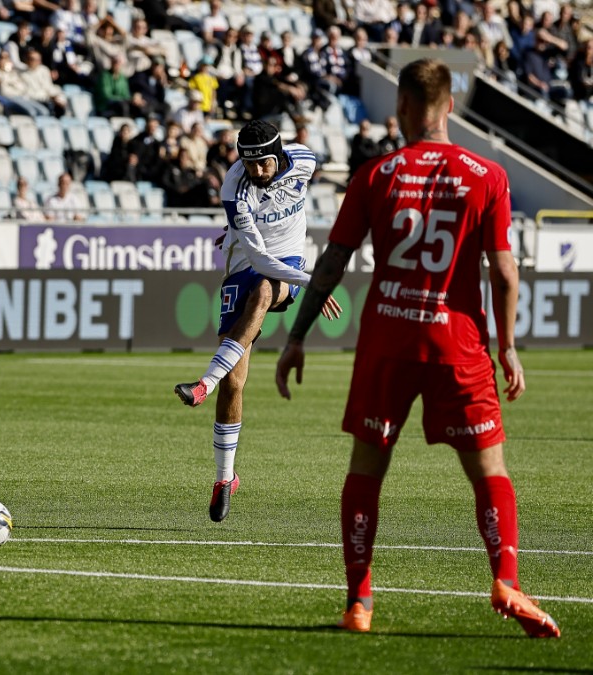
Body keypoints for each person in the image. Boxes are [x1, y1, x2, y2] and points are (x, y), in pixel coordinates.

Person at [273, 58, 561, 639]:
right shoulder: (487, 175)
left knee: (366, 470)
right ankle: (506, 579)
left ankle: (359, 603)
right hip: (459, 344)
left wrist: (298, 334)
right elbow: (504, 272)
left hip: (387, 340)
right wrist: (507, 347)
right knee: (489, 472)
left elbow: (333, 260)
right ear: (450, 105)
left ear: (402, 107)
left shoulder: (376, 176)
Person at [173, 119, 341, 522]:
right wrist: (232, 225)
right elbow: (259, 257)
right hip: (245, 264)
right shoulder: (235, 187)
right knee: (236, 382)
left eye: (262, 164)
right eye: (248, 165)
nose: (256, 172)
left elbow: (273, 267)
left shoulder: (304, 159)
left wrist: (306, 277)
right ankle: (225, 478)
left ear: (278, 154)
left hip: (287, 266)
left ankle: (203, 383)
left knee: (266, 290)